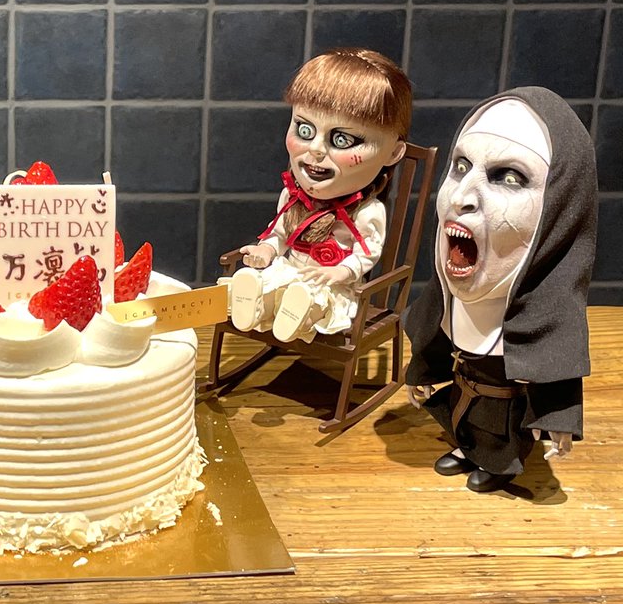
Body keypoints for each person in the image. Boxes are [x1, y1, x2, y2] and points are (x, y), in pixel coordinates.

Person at [404, 87, 596, 493]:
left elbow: (557, 367)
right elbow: (434, 332)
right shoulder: (449, 295)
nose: (461, 196)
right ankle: (465, 448)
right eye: (460, 167)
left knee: (497, 431)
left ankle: (498, 464)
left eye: (508, 177)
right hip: (463, 390)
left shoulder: (549, 313)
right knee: (461, 418)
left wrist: (558, 421)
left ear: (559, 210)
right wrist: (420, 373)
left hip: (502, 401)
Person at [224, 48, 411, 343]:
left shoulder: (366, 212)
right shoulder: (293, 197)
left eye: (342, 139)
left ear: (393, 153)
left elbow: (367, 252)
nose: (316, 149)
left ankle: (300, 313)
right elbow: (281, 232)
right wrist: (268, 249)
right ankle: (256, 304)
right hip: (292, 270)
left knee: (318, 300)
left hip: (330, 283)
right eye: (305, 130)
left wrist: (343, 272)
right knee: (270, 282)